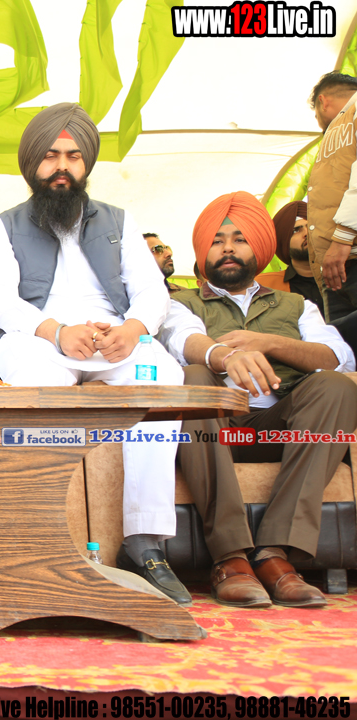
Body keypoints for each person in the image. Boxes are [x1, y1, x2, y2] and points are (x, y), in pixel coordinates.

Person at [0, 103, 191, 605]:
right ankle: (42, 542)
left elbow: (152, 292)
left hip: (113, 340)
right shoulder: (4, 225)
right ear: (33, 163)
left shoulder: (119, 220)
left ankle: (145, 542)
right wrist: (55, 331)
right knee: (39, 385)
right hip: (38, 339)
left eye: (73, 156)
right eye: (51, 156)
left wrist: (133, 330)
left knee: (162, 377)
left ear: (86, 163)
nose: (62, 167)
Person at [160, 191, 355, 608]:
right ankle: (230, 558)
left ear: (261, 248)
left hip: (281, 429)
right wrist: (225, 355)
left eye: (240, 238)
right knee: (194, 377)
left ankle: (274, 554)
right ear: (203, 250)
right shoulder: (178, 303)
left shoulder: (296, 304)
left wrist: (267, 342)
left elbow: (338, 357)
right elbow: (183, 339)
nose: (228, 248)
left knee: (337, 386)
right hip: (211, 434)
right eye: (217, 240)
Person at [307, 72, 357, 322]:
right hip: (336, 264)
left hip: (346, 252)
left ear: (323, 101)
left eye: (316, 115)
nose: (319, 123)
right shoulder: (335, 131)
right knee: (340, 343)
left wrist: (343, 238)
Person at [273, 202, 323, 314]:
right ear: (283, 242)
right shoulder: (267, 286)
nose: (306, 233)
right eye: (296, 230)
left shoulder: (347, 273)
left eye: (310, 227)